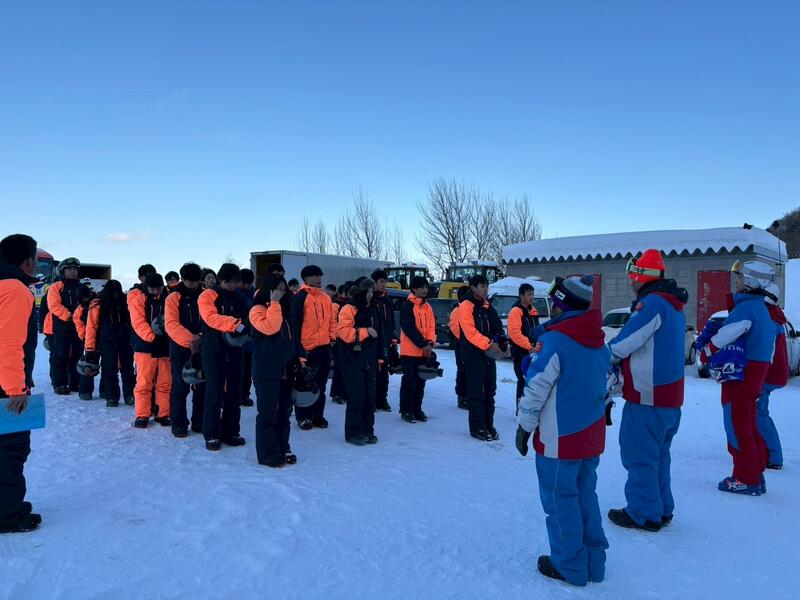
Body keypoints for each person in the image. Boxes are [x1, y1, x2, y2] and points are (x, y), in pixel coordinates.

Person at [515, 275, 609, 586]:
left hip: (559, 439)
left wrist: (524, 427)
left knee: (560, 501)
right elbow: (608, 383)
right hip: (590, 435)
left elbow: (536, 389)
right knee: (585, 496)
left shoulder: (555, 340)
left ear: (561, 305)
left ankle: (569, 565)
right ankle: (594, 563)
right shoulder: (598, 340)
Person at [607, 250, 688, 531]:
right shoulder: (674, 305)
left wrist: (600, 357)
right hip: (669, 398)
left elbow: (624, 343)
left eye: (633, 275)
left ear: (642, 276)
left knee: (639, 455)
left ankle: (643, 512)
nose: (631, 281)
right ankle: (662, 508)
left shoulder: (652, 304)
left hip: (647, 397)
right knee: (659, 456)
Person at [702, 261, 777, 495]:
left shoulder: (747, 307)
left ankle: (746, 478)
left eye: (741, 278)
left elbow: (727, 333)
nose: (737, 281)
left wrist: (706, 351)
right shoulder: (762, 308)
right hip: (755, 374)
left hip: (741, 376)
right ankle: (756, 474)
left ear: (753, 281)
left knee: (737, 425)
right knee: (748, 424)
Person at [0, 234, 41, 534]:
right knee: (10, 450)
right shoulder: (15, 289)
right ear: (27, 261)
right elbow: (8, 343)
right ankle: (8, 514)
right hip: (4, 386)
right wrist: (16, 388)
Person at [198, 263, 250, 451]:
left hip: (235, 350)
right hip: (214, 350)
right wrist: (236, 325)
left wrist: (244, 327)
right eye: (230, 281)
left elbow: (248, 318)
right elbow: (211, 317)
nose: (233, 285)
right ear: (221, 279)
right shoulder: (208, 296)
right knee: (214, 392)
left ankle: (231, 431)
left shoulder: (240, 298)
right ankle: (211, 434)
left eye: (236, 281)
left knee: (234, 393)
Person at [250, 274, 296, 467]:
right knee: (267, 413)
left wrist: (299, 359)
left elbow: (292, 339)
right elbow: (270, 328)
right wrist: (274, 304)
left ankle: (282, 446)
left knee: (284, 412)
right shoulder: (257, 310)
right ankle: (268, 453)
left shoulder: (285, 312)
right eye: (277, 289)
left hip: (286, 369)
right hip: (265, 370)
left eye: (283, 290)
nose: (281, 293)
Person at [459, 274, 505, 441]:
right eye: (482, 286)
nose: (486, 289)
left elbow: (497, 327)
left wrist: (501, 340)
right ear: (473, 288)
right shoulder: (466, 306)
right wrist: (488, 344)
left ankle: (488, 425)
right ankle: (477, 427)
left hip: (488, 355)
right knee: (477, 393)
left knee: (490, 392)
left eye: (487, 286)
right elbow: (470, 332)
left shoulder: (488, 306)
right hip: (474, 356)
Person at [290, 265, 336, 430]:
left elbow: (332, 321)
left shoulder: (326, 298)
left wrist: (332, 338)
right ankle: (303, 417)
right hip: (307, 349)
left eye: (320, 275)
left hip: (324, 347)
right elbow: (295, 326)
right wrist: (299, 350)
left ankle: (318, 416)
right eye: (315, 276)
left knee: (321, 385)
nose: (319, 278)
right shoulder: (300, 297)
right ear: (306, 278)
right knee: (304, 384)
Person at [164, 263, 205, 438]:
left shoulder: (206, 295)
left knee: (202, 385)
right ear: (183, 279)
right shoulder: (173, 297)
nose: (192, 284)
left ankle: (199, 421)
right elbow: (171, 324)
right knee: (180, 386)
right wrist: (191, 339)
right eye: (189, 280)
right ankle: (178, 423)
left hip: (203, 346)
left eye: (195, 280)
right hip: (180, 347)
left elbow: (210, 318)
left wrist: (201, 337)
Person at [337, 279, 381, 445]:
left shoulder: (373, 308)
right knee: (357, 396)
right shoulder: (348, 308)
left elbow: (380, 332)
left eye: (372, 291)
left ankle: (368, 430)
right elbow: (344, 333)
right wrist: (365, 332)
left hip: (368, 359)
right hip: (352, 359)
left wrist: (381, 354)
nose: (370, 294)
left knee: (369, 397)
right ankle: (354, 432)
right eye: (367, 291)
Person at [129, 273, 172, 428]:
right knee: (144, 383)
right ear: (146, 287)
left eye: (158, 288)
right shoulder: (139, 300)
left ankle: (163, 413)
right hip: (145, 347)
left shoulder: (169, 299)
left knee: (165, 382)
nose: (155, 291)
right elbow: (138, 322)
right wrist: (152, 337)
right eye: (152, 289)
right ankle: (142, 414)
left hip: (165, 347)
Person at [85, 280, 135, 407]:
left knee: (127, 369)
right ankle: (112, 396)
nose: (115, 294)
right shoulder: (97, 304)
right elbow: (91, 327)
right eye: (113, 291)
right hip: (107, 341)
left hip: (124, 340)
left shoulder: (126, 302)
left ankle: (129, 395)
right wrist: (90, 348)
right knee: (109, 369)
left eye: (117, 291)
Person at [757, 283, 788, 470]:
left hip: (767, 375)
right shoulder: (774, 315)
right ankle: (768, 453)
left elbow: (767, 352)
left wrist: (758, 375)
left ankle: (774, 456)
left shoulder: (768, 318)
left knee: (758, 414)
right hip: (773, 374)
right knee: (760, 413)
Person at [398, 276, 436, 424]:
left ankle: (417, 409)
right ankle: (406, 410)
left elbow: (431, 327)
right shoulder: (407, 306)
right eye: (422, 287)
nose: (425, 290)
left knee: (421, 382)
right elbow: (408, 328)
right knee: (409, 382)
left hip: (424, 351)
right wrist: (423, 343)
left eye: (426, 287)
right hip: (409, 352)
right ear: (414, 289)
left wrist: (430, 343)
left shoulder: (428, 307)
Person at [46, 257, 83, 394]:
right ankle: (60, 384)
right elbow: (54, 305)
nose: (73, 272)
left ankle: (75, 383)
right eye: (70, 269)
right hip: (60, 326)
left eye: (75, 269)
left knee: (77, 354)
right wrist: (70, 317)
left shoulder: (82, 287)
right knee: (60, 355)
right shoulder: (56, 286)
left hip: (78, 327)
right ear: (63, 271)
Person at [508, 283, 540, 415]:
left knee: (533, 380)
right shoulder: (516, 311)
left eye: (532, 294)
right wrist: (529, 346)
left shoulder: (533, 310)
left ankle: (530, 408)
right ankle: (520, 409)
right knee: (522, 380)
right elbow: (515, 333)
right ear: (521, 295)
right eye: (528, 294)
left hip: (532, 351)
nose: (531, 297)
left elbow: (537, 331)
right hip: (520, 352)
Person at [371, 270, 395, 412]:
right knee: (373, 373)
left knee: (384, 373)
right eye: (381, 282)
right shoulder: (370, 300)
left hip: (386, 342)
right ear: (374, 283)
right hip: (373, 343)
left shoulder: (387, 300)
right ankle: (372, 400)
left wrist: (393, 338)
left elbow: (391, 321)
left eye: (385, 282)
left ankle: (382, 399)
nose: (384, 284)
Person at [72, 283, 96, 401]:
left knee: (108, 365)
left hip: (103, 339)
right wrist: (86, 338)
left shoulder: (97, 304)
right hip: (90, 340)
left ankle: (105, 390)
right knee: (88, 365)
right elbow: (79, 326)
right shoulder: (79, 310)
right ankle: (85, 391)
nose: (85, 300)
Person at [238, 268, 256, 408]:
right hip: (236, 337)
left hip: (251, 338)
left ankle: (245, 395)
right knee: (237, 370)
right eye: (243, 283)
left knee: (248, 370)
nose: (246, 286)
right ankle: (234, 395)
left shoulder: (255, 294)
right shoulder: (234, 293)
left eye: (249, 283)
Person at [450, 286, 469, 409]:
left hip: (470, 345)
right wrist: (468, 339)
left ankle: (467, 395)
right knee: (462, 371)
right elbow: (455, 329)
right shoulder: (457, 311)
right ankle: (462, 397)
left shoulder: (469, 309)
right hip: (461, 345)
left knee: (468, 371)